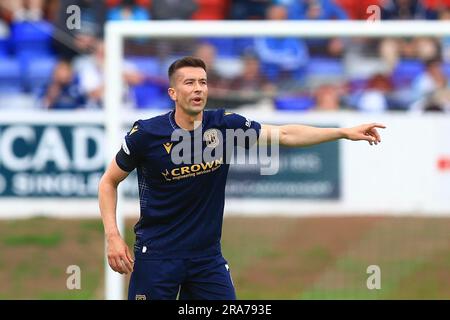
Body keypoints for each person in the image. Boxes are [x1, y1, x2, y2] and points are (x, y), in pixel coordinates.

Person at [98, 56, 385, 300]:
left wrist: (342, 132)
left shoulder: (224, 126)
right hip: (157, 256)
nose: (198, 89)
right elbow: (108, 182)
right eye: (189, 83)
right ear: (173, 92)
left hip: (206, 258)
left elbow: (284, 134)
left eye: (203, 82)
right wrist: (113, 235)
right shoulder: (147, 134)